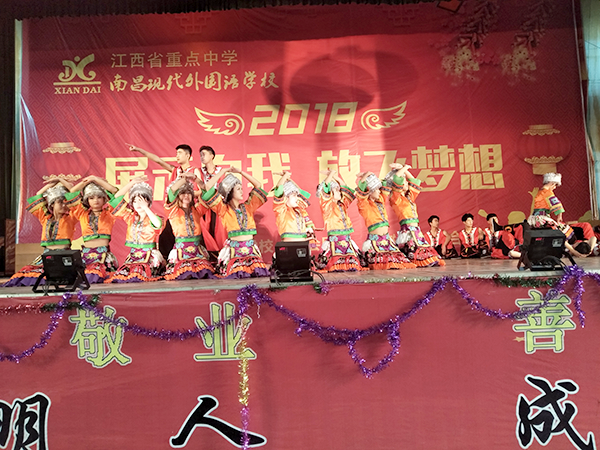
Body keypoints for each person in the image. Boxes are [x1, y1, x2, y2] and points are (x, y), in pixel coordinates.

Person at [3, 177, 78, 287]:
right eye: (60, 202)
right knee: (27, 274)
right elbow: (38, 195)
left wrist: (61, 180)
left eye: (66, 203)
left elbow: (74, 193)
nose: (64, 205)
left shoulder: (71, 217)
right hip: (47, 255)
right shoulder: (45, 218)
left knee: (61, 277)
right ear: (52, 204)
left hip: (63, 254)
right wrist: (51, 185)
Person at [201, 167, 269, 278]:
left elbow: (258, 185)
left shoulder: (248, 206)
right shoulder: (224, 210)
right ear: (230, 192)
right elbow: (207, 187)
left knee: (257, 273)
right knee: (237, 274)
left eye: (241, 188)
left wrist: (241, 172)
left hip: (251, 250)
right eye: (238, 189)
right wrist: (222, 172)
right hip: (234, 251)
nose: (242, 191)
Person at [104, 177, 166, 283]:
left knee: (140, 275)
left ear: (148, 201)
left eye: (142, 200)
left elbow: (158, 224)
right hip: (133, 256)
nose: (138, 204)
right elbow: (115, 201)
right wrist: (131, 184)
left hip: (150, 256)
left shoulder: (154, 217)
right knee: (124, 277)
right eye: (135, 201)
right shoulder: (130, 217)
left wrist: (146, 208)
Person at [355, 172, 416, 270]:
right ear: (370, 191)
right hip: (375, 241)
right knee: (385, 263)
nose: (379, 192)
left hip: (387, 240)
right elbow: (361, 192)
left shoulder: (380, 201)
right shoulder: (364, 205)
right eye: (376, 190)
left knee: (400, 262)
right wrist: (366, 175)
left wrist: (397, 170)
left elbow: (386, 184)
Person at [387, 164, 444, 267]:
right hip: (407, 230)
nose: (406, 183)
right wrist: (403, 168)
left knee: (426, 254)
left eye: (406, 181)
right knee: (413, 252)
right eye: (404, 181)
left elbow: (414, 181)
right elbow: (397, 178)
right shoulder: (395, 199)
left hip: (416, 229)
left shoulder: (409, 197)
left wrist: (403, 169)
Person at [68, 175, 120, 283]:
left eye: (99, 197)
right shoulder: (82, 213)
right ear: (87, 200)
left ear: (104, 198)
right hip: (86, 256)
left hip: (104, 257)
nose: (96, 200)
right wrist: (86, 182)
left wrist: (97, 179)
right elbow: (72, 192)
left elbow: (115, 192)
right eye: (91, 198)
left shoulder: (109, 213)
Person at [163, 174, 215, 280]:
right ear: (178, 196)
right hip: (180, 251)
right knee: (183, 272)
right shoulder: (172, 211)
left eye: (189, 193)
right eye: (183, 193)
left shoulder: (197, 210)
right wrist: (184, 179)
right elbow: (172, 191)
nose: (186, 195)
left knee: (204, 272)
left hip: (197, 251)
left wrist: (196, 180)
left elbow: (207, 193)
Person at [315, 169, 366, 272]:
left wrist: (335, 177)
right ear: (330, 193)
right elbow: (325, 188)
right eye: (337, 190)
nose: (340, 192)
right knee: (335, 264)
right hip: (334, 241)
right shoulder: (326, 205)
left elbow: (345, 188)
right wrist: (330, 175)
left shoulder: (342, 204)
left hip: (347, 240)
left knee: (353, 263)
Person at [528, 173, 587, 257]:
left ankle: (568, 249)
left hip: (535, 218)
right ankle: (573, 251)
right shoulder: (547, 192)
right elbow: (557, 204)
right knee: (561, 231)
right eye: (555, 185)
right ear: (551, 183)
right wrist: (559, 216)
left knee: (560, 230)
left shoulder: (540, 192)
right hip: (541, 219)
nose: (555, 187)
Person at [272, 171, 317, 245]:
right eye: (293, 195)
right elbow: (278, 190)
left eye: (297, 195)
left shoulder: (299, 210)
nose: (297, 198)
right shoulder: (281, 210)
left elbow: (300, 191)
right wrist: (285, 176)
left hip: (303, 246)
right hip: (289, 246)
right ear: (285, 198)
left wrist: (288, 179)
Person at [197, 145, 227, 259]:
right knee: (203, 230)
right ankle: (207, 255)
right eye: (200, 155)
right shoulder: (199, 171)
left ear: (212, 156)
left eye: (204, 154)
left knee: (219, 230)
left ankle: (221, 255)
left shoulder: (221, 171)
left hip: (217, 204)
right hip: (203, 205)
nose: (202, 157)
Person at [127, 143, 201, 186]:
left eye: (180, 153)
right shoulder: (175, 170)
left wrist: (186, 194)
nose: (177, 156)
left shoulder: (194, 171)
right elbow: (158, 160)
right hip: (174, 205)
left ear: (187, 156)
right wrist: (138, 149)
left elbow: (200, 191)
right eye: (176, 153)